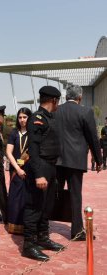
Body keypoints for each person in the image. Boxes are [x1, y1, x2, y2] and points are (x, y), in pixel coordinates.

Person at [22, 86, 64, 261]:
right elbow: (33, 148)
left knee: (46, 205)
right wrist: (39, 174)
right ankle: (29, 245)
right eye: (57, 101)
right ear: (54, 100)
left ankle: (43, 237)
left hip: (51, 166)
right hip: (40, 167)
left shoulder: (50, 118)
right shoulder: (37, 119)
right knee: (34, 206)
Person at [56, 84, 102, 241]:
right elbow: (93, 138)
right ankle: (76, 231)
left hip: (56, 160)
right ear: (80, 97)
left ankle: (42, 227)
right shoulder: (85, 111)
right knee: (75, 195)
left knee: (52, 193)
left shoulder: (56, 110)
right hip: (75, 161)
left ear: (66, 96)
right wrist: (99, 160)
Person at [5, 107, 32, 234]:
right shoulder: (14, 133)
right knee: (15, 198)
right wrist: (17, 168)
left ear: (29, 118)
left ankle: (27, 225)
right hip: (16, 170)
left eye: (25, 117)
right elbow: (8, 152)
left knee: (27, 197)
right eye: (20, 117)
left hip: (29, 170)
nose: (22, 120)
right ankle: (14, 225)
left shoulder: (33, 133)